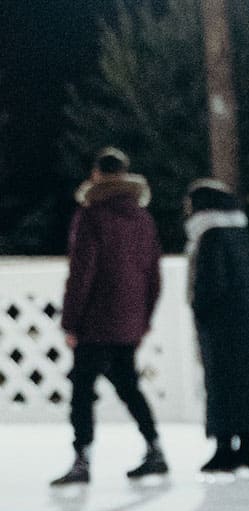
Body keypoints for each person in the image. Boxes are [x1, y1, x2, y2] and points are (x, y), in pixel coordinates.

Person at [49, 148, 166, 487]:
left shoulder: (91, 215)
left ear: (97, 175)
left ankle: (81, 458)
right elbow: (153, 274)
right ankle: (154, 447)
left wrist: (70, 322)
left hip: (95, 321)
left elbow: (82, 273)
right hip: (129, 321)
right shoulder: (143, 219)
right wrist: (144, 318)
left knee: (83, 389)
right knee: (128, 385)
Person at [184, 181, 249, 475]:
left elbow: (209, 286)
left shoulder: (210, 237)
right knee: (247, 387)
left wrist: (200, 311)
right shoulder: (241, 236)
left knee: (222, 387)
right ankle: (248, 448)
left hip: (222, 329)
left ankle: (224, 449)